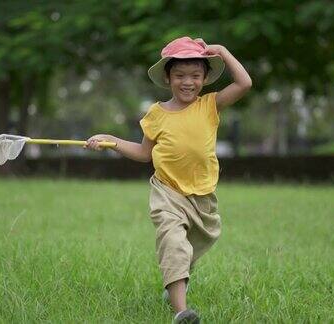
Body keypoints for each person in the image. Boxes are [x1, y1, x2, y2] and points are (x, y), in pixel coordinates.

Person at [85, 36, 252, 323]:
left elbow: (244, 84)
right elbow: (142, 153)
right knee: (173, 243)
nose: (188, 82)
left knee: (189, 250)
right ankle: (181, 313)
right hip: (167, 191)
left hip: (202, 196)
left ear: (205, 78)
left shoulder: (210, 105)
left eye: (196, 76)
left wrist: (223, 51)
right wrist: (111, 140)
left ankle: (176, 284)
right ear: (167, 77)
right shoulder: (156, 114)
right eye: (180, 75)